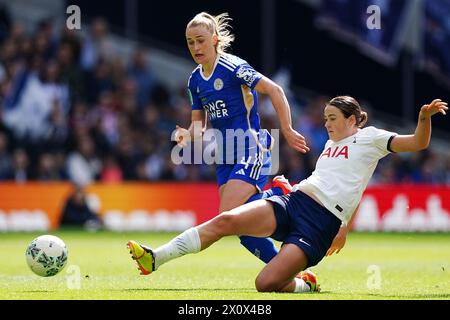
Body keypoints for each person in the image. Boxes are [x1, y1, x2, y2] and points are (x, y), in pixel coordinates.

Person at [128, 96, 447, 293]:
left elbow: (417, 144)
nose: (327, 125)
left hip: (318, 225)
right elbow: (342, 182)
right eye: (325, 119)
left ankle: (303, 286)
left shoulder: (372, 138)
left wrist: (423, 118)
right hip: (295, 200)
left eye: (332, 118)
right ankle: (156, 258)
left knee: (265, 284)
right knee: (225, 220)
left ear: (352, 120)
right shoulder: (330, 146)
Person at [173, 12, 309, 264]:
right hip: (225, 156)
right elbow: (198, 128)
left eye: (201, 40)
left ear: (214, 39)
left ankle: (276, 195)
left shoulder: (233, 67)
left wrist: (287, 129)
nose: (195, 47)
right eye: (190, 42)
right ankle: (286, 268)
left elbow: (274, 89)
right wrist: (185, 136)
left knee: (226, 215)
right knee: (240, 227)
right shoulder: (195, 81)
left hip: (250, 147)